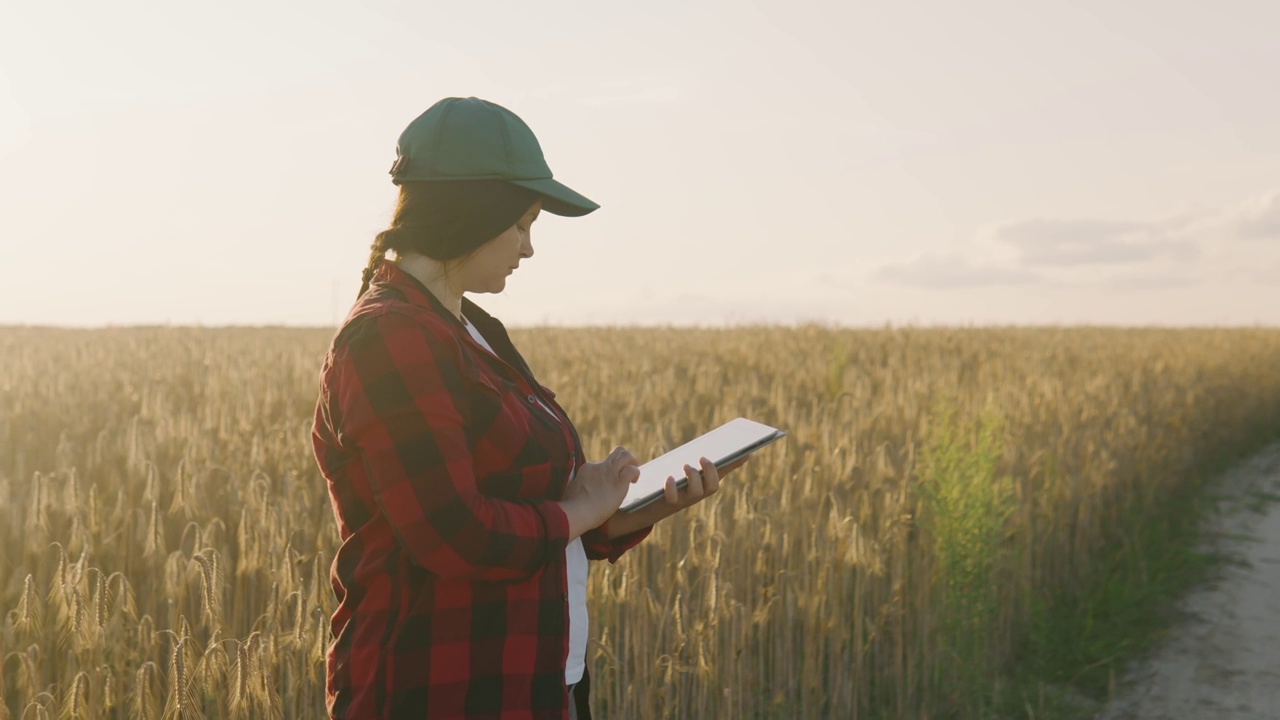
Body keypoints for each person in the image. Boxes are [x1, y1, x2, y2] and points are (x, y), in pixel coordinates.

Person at [311, 97, 749, 720]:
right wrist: (577, 508)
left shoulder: (472, 329)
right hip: (444, 689)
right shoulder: (391, 337)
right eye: (522, 225)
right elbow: (454, 534)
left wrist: (623, 510)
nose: (528, 249)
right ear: (471, 212)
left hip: (538, 683)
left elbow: (527, 516)